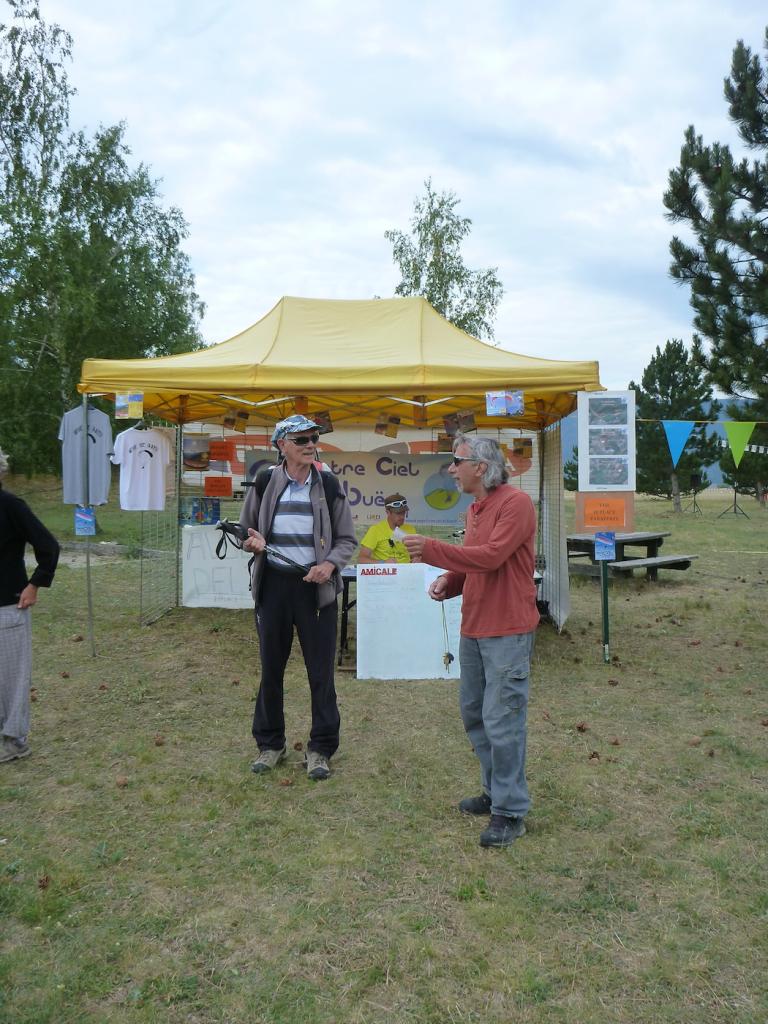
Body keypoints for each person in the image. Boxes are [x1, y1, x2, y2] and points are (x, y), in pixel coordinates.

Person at [403, 434, 539, 848]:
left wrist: (432, 552)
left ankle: (510, 812)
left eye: (456, 461)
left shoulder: (516, 504)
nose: (450, 469)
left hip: (507, 630)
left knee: (503, 720)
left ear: (480, 467)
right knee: (475, 715)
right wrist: (453, 580)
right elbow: (477, 559)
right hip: (475, 627)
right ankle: (495, 791)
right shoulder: (477, 507)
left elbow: (493, 556)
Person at [240, 415, 356, 780]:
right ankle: (270, 744)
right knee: (271, 669)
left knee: (320, 673)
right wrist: (252, 541)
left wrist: (329, 566)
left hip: (315, 589)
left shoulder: (329, 483)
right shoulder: (264, 481)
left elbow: (347, 540)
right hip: (274, 586)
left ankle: (321, 749)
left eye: (313, 438)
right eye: (301, 439)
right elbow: (246, 530)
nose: (310, 444)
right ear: (282, 446)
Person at [0, 446, 60, 764]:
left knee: (11, 678)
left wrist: (35, 584)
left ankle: (14, 742)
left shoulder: (12, 506)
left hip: (8, 607)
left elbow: (48, 546)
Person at [357, 492, 416, 563]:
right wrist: (383, 563)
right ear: (388, 512)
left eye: (403, 513)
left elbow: (414, 555)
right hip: (385, 573)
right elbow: (362, 559)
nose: (402, 517)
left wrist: (417, 559)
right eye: (398, 513)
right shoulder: (375, 530)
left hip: (407, 572)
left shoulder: (410, 529)